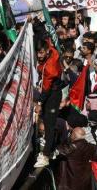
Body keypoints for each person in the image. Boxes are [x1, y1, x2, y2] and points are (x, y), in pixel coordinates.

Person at [34, 37, 62, 168]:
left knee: (49, 125)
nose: (39, 56)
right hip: (50, 93)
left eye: (41, 53)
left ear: (46, 51)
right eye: (37, 52)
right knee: (46, 122)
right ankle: (51, 148)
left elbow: (46, 89)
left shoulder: (50, 67)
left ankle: (45, 156)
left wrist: (39, 103)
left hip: (53, 96)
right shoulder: (50, 51)